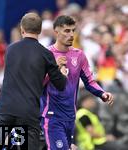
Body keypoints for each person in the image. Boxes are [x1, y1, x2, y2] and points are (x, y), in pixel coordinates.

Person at [0, 12, 67, 150]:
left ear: (22, 29)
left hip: (3, 110)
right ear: (40, 31)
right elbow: (60, 85)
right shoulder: (46, 54)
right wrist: (61, 72)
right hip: (28, 114)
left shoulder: (10, 49)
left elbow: (24, 69)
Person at [41, 15, 113, 150]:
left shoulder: (79, 55)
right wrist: (54, 68)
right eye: (67, 31)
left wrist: (102, 93)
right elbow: (38, 83)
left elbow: (90, 81)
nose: (71, 34)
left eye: (73, 30)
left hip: (70, 117)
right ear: (56, 32)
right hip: (52, 117)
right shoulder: (46, 54)